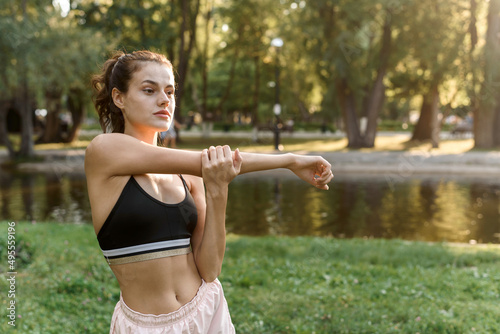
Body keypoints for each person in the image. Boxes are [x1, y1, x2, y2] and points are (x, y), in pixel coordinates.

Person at [85, 50, 334, 333]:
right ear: (119, 98)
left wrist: (218, 191)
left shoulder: (190, 175)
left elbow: (210, 269)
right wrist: (289, 160)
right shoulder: (104, 151)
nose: (164, 99)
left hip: (206, 313)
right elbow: (212, 160)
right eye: (149, 90)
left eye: (170, 91)